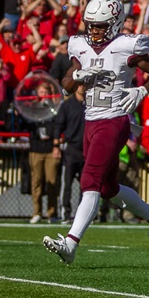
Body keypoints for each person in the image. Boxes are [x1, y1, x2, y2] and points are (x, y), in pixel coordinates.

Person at [42, 0, 149, 263]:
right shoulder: (79, 45)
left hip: (114, 120)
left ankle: (71, 243)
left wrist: (142, 91)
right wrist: (76, 76)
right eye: (90, 25)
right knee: (108, 188)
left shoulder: (126, 45)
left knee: (90, 179)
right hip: (91, 120)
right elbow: (66, 86)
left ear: (115, 23)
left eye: (100, 26)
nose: (93, 30)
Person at [26, 80, 61, 224]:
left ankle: (52, 213)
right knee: (36, 181)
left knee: (52, 181)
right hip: (36, 148)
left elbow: (58, 125)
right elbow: (27, 123)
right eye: (42, 92)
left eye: (46, 92)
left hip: (50, 149)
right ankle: (37, 212)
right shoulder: (33, 108)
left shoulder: (54, 109)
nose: (44, 94)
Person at [56, 84, 86, 222]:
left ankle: (82, 214)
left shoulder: (90, 105)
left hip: (86, 150)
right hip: (71, 148)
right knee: (67, 183)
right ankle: (65, 213)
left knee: (85, 185)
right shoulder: (67, 105)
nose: (82, 87)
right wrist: (56, 145)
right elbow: (58, 125)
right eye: (79, 84)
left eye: (84, 84)